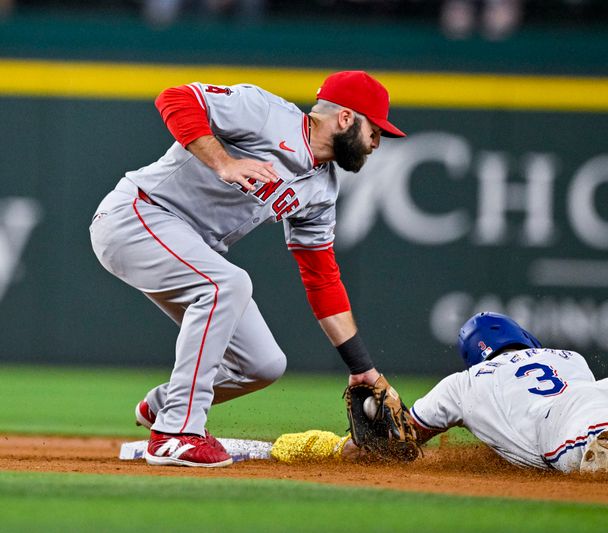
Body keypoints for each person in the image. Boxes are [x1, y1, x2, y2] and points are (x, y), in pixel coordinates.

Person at [90, 70, 405, 468]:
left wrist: (363, 369)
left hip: (184, 246)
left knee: (261, 364)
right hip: (135, 216)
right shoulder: (266, 113)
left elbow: (322, 278)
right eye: (374, 131)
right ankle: (175, 432)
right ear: (346, 119)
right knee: (226, 284)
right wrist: (224, 162)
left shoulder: (322, 191)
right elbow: (175, 98)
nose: (376, 143)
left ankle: (167, 404)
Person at [273, 312, 608, 474]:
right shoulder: (566, 356)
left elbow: (404, 440)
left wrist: (370, 430)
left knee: (577, 454)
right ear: (525, 341)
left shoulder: (463, 382)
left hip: (562, 422)